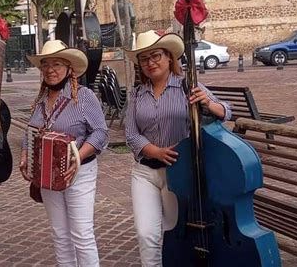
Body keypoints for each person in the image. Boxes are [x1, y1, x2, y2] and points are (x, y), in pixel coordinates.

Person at [123, 30, 232, 266]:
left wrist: (208, 103)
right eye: (144, 59)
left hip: (179, 174)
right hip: (145, 173)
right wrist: (155, 151)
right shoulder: (137, 94)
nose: (150, 63)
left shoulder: (188, 86)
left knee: (173, 232)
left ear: (169, 57)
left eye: (156, 56)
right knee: (146, 234)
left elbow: (226, 112)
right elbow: (131, 134)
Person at [19, 40, 109, 267]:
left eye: (57, 64)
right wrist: (25, 154)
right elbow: (30, 131)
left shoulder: (84, 96)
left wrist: (77, 156)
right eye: (46, 64)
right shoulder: (40, 100)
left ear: (69, 68)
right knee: (60, 234)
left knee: (82, 234)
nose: (50, 69)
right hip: (48, 175)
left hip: (80, 172)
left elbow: (100, 133)